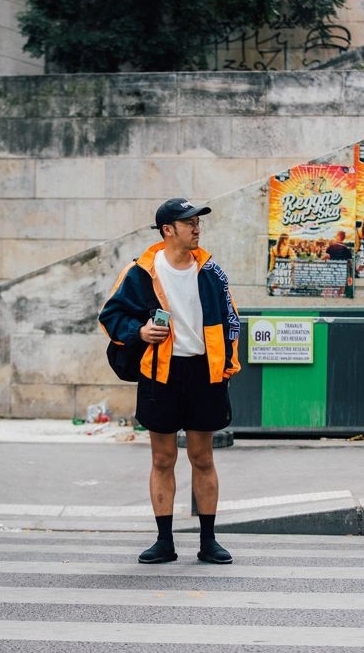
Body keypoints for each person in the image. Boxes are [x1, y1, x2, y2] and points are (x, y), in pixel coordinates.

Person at [99, 197, 241, 565]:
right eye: (189, 222)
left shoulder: (211, 271)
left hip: (203, 372)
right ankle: (164, 541)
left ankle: (208, 541)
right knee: (162, 459)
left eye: (198, 222)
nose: (197, 228)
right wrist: (139, 331)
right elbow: (111, 315)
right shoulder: (142, 272)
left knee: (202, 457)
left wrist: (228, 364)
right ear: (168, 230)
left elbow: (232, 320)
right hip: (161, 373)